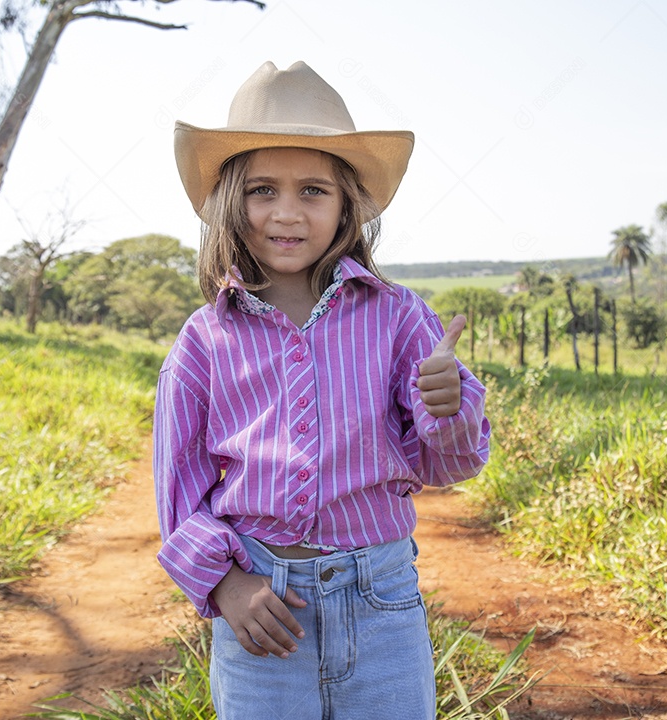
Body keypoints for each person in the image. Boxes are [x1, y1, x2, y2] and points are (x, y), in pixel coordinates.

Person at [154, 60, 491, 720]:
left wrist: (446, 407)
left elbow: (448, 465)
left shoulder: (397, 316)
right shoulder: (203, 341)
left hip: (382, 602)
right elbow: (179, 487)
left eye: (312, 190)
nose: (287, 212)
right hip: (262, 606)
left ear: (346, 208)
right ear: (230, 202)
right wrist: (224, 584)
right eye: (262, 191)